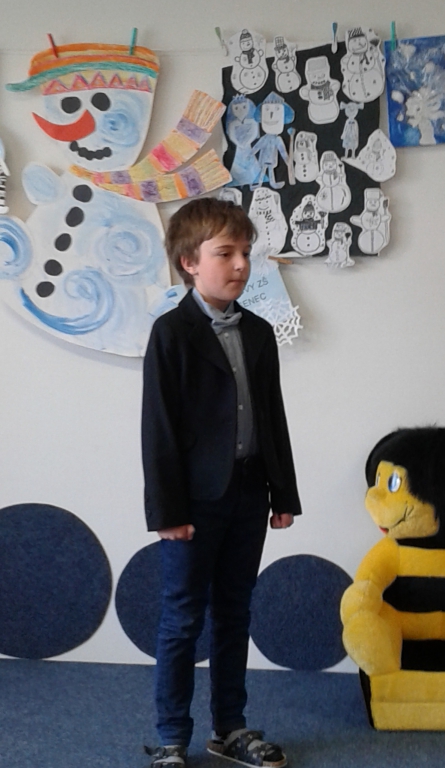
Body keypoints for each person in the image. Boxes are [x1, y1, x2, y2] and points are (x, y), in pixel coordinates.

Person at [141, 197, 302, 768]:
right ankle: (170, 737)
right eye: (225, 253)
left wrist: (283, 493)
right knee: (183, 618)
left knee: (235, 613)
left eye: (246, 253)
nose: (240, 265)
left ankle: (230, 728)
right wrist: (167, 511)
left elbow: (273, 417)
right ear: (189, 262)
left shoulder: (258, 333)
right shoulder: (171, 333)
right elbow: (158, 429)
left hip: (248, 494)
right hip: (193, 503)